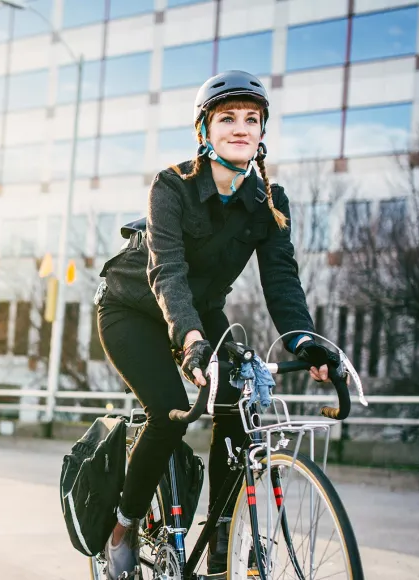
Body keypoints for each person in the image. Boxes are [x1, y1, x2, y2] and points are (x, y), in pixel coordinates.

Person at [94, 70, 340, 579]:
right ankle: (122, 524)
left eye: (252, 119)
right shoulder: (172, 186)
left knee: (236, 403)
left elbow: (282, 279)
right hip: (133, 307)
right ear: (205, 130)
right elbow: (168, 271)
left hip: (202, 315)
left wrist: (305, 341)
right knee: (171, 410)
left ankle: (221, 550)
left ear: (261, 133)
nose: (241, 127)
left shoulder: (270, 202)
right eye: (228, 117)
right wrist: (189, 339)